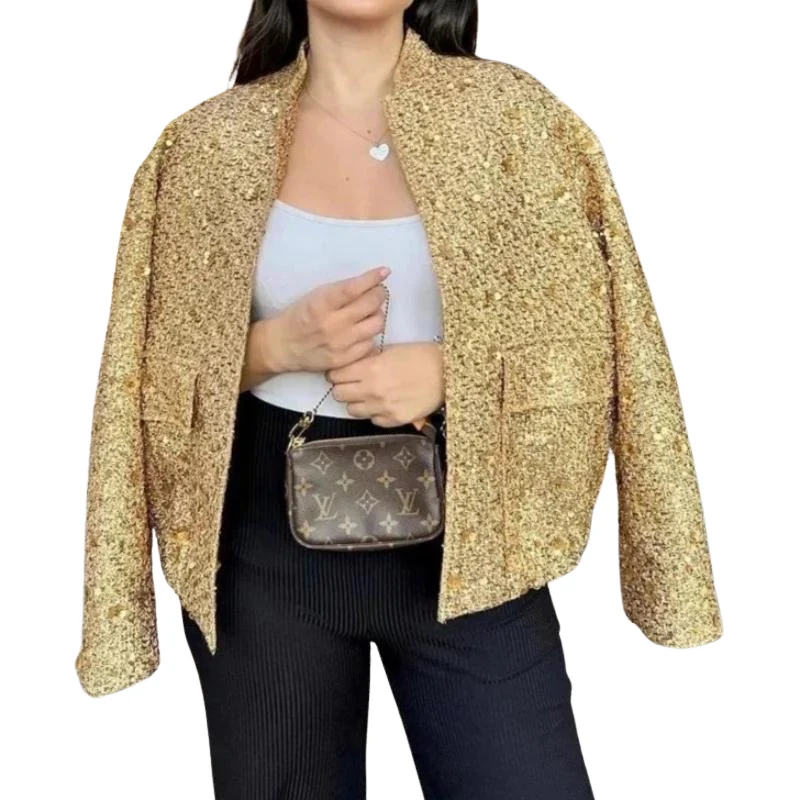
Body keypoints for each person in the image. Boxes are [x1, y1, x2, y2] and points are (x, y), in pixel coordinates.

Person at [76, 2, 723, 798]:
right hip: (262, 555)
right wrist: (277, 348)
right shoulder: (208, 144)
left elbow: (608, 340)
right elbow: (145, 376)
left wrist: (458, 372)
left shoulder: (516, 120)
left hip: (481, 547)